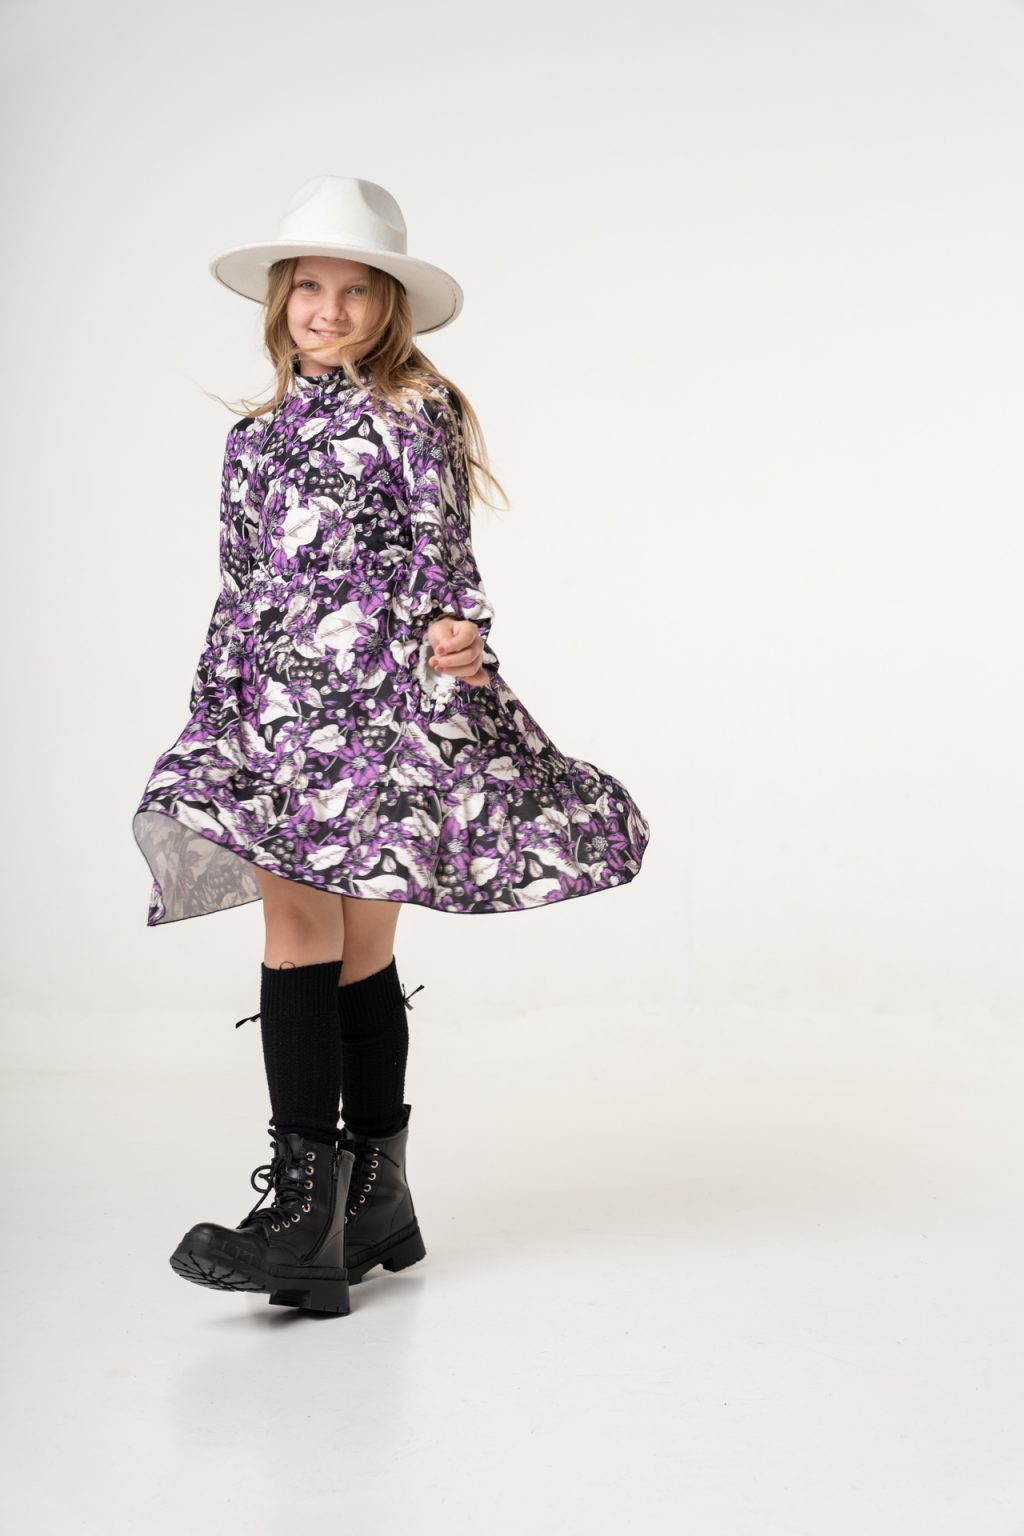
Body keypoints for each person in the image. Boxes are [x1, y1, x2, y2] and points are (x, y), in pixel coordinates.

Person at [131, 175, 651, 1317]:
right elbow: (240, 585)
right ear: (280, 301)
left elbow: (442, 547)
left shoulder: (417, 409)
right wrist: (217, 712)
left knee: (337, 941)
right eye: (309, 288)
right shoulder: (251, 440)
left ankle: (323, 1217)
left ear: (388, 306)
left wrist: (460, 633)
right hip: (274, 709)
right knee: (317, 937)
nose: (329, 310)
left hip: (379, 707)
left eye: (354, 291)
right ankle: (354, 1207)